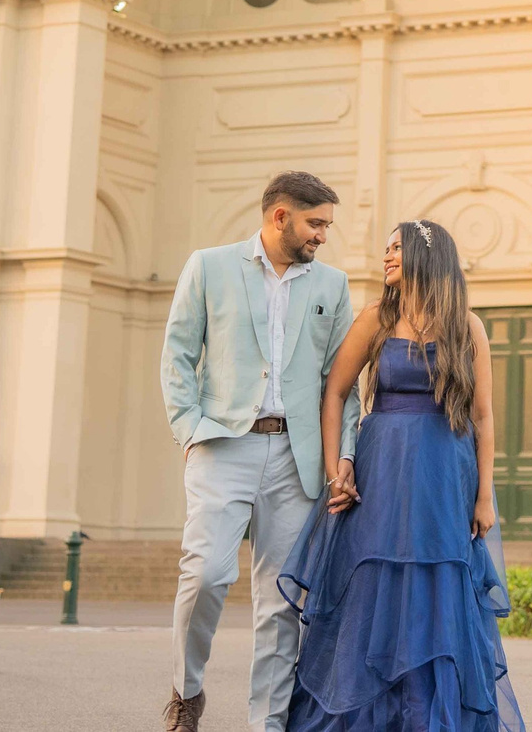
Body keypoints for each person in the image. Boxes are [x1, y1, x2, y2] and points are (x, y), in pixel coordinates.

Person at [277, 219, 524, 732]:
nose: (386, 257)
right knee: (374, 584)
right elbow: (335, 392)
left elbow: (482, 416)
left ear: (424, 257)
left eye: (396, 248)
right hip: (382, 470)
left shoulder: (468, 326)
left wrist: (483, 497)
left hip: (443, 474)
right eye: (385, 248)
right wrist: (334, 470)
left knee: (438, 585)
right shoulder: (376, 319)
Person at [162, 171, 356, 732]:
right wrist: (191, 429)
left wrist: (342, 456)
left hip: (296, 460)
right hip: (223, 445)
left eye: (326, 226)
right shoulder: (208, 266)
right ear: (280, 217)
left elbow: (340, 382)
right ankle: (187, 691)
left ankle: (266, 724)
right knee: (206, 574)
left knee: (281, 602)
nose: (322, 236)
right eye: (316, 223)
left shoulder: (332, 286)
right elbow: (177, 355)